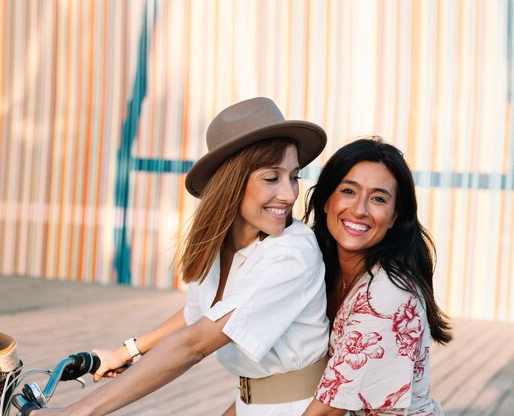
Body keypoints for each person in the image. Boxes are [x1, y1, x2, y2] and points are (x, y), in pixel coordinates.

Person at [32, 97, 330, 416]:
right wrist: (126, 351)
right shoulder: (226, 245)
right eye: (272, 178)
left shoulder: (291, 252)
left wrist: (74, 412)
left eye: (294, 176)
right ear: (232, 182)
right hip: (251, 403)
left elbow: (195, 344)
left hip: (297, 408)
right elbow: (197, 313)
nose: (289, 194)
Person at [301, 137, 452, 416]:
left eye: (379, 198)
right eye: (348, 191)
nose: (359, 210)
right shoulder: (315, 267)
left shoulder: (387, 293)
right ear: (325, 201)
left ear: (394, 217)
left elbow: (328, 409)